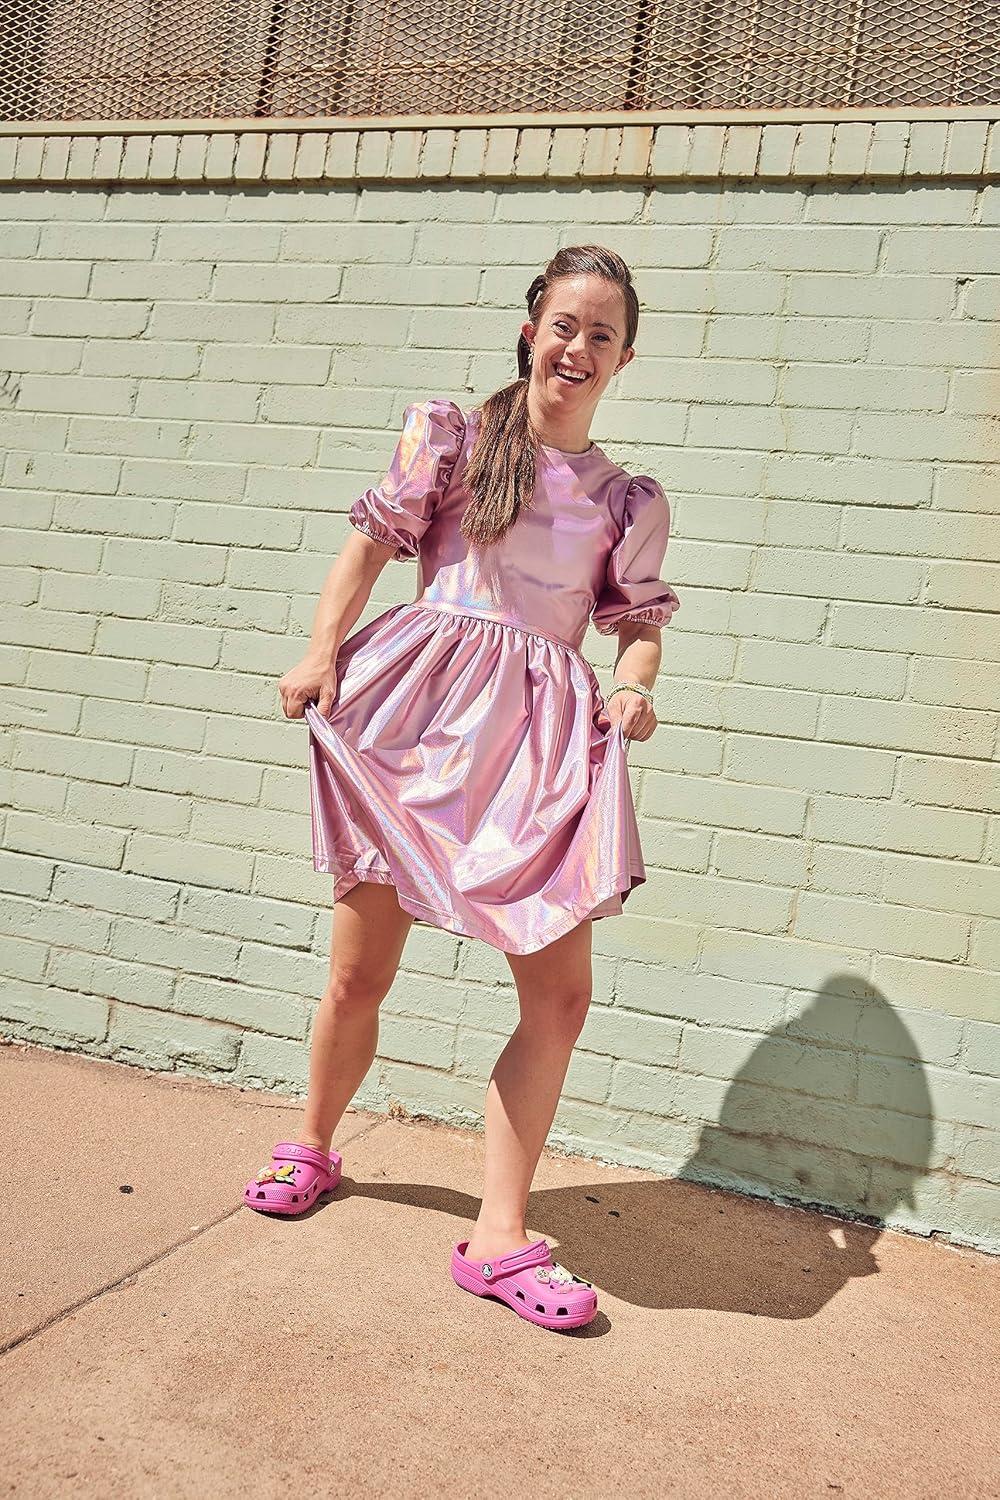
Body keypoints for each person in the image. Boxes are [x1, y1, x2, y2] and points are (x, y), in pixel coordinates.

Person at [244, 244, 681, 1333]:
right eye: (564, 325)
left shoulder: (626, 499)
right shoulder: (455, 438)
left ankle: (496, 1237)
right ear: (532, 331)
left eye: (603, 334)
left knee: (561, 999)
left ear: (625, 359)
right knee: (359, 974)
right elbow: (366, 549)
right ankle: (313, 1141)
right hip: (420, 726)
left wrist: (633, 688)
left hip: (537, 750)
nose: (579, 347)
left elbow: (635, 626)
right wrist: (320, 650)